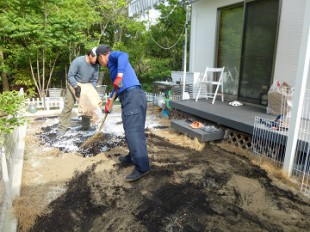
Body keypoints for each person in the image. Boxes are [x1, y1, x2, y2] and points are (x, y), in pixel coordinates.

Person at [96, 44, 150, 182]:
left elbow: (123, 55)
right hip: (130, 97)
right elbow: (117, 86)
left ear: (102, 55)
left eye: (98, 60)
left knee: (133, 131)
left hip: (132, 96)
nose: (100, 64)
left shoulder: (114, 57)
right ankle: (133, 156)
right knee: (130, 129)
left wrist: (120, 75)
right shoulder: (113, 67)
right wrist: (109, 101)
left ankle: (142, 167)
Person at [57, 47, 99, 136]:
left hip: (87, 86)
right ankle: (62, 128)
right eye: (96, 58)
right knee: (68, 107)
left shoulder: (96, 65)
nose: (97, 61)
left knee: (87, 108)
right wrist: (76, 87)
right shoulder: (78, 61)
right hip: (74, 85)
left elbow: (94, 79)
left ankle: (86, 127)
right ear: (90, 55)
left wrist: (92, 89)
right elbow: (70, 76)